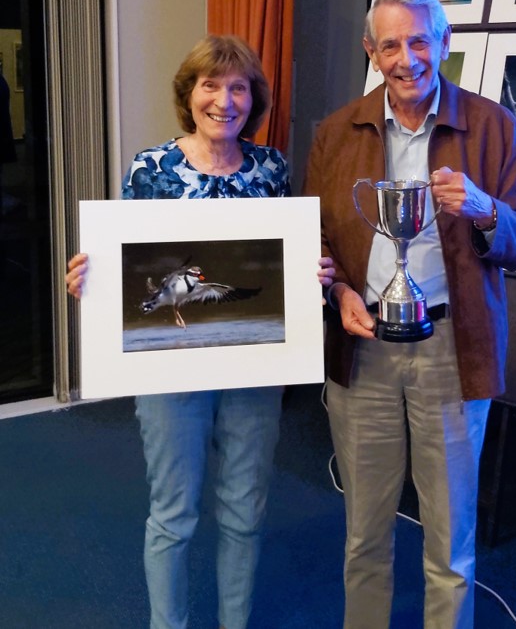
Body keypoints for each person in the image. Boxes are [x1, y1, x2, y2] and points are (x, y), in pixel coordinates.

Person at [66, 34, 334, 629]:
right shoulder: (151, 169)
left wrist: (311, 271)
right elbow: (127, 266)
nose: (224, 100)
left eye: (239, 88)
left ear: (253, 100)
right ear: (189, 95)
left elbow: (281, 264)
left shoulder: (271, 169)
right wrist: (92, 279)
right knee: (173, 515)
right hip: (169, 368)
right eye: (210, 85)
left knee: (245, 512)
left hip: (255, 366)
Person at [303, 0, 516, 629]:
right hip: (362, 348)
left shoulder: (492, 126)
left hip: (452, 351)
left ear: (443, 43)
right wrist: (338, 290)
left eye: (418, 41)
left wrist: (484, 208)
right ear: (370, 51)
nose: (405, 59)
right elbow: (315, 239)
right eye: (390, 45)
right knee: (363, 535)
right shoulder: (336, 133)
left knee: (449, 544)